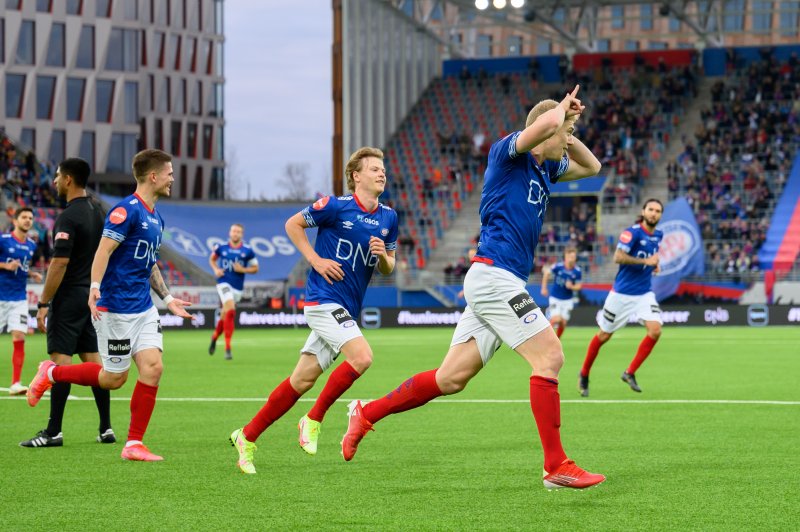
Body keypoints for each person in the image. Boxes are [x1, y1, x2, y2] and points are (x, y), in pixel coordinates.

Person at [340, 86, 607, 490]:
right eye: (564, 133)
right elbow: (545, 127)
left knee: (450, 379)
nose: (568, 141)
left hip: (499, 280)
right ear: (541, 130)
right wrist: (558, 115)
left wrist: (566, 127)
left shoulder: (545, 169)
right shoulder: (508, 154)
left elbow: (593, 167)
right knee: (550, 358)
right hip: (493, 276)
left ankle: (365, 412)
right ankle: (555, 465)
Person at [229, 147, 398, 474]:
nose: (381, 173)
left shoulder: (389, 217)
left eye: (383, 168)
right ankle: (314, 418)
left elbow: (389, 267)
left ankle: (247, 436)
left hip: (347, 307)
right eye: (374, 168)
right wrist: (315, 260)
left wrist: (382, 256)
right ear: (355, 176)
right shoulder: (335, 207)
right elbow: (293, 224)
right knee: (362, 357)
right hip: (323, 300)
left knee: (302, 379)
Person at [26, 149, 193, 462]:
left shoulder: (156, 216)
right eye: (169, 172)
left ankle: (133, 444)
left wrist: (167, 298)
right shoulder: (124, 211)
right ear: (154, 176)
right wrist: (94, 288)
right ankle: (52, 373)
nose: (173, 178)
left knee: (154, 368)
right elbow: (102, 252)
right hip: (115, 309)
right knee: (113, 379)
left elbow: (149, 262)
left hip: (143, 308)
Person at [20, 158, 115, 448]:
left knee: (60, 361)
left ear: (70, 180)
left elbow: (59, 263)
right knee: (93, 361)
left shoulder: (68, 216)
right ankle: (106, 428)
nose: (55, 181)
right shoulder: (99, 212)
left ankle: (53, 432)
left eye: (59, 176)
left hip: (70, 296)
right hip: (92, 298)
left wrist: (44, 302)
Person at [578, 199, 664, 397]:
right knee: (604, 336)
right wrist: (646, 261)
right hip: (621, 294)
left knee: (655, 330)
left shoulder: (658, 234)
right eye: (650, 209)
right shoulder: (632, 232)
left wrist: (654, 264)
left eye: (657, 211)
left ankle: (629, 372)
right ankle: (584, 373)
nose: (653, 213)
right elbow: (618, 257)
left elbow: (652, 254)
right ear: (643, 211)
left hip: (644, 293)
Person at [1, 207, 42, 395]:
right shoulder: (3, 240)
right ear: (15, 221)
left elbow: (21, 267)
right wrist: (5, 265)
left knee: (19, 336)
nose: (27, 220)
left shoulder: (32, 246)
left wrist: (31, 273)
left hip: (18, 298)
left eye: (30, 218)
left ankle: (16, 383)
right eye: (24, 217)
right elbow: (9, 265)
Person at [208, 223, 258, 360]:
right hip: (223, 282)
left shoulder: (248, 250)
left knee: (225, 314)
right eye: (233, 231)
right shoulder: (221, 247)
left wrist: (244, 270)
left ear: (242, 234)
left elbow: (255, 268)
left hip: (238, 288)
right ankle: (228, 348)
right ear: (230, 233)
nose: (235, 233)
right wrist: (216, 270)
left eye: (238, 232)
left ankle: (214, 337)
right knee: (230, 310)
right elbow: (212, 260)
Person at [540, 246, 583, 339]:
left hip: (568, 300)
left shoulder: (577, 271)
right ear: (566, 257)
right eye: (570, 256)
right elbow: (547, 273)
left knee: (563, 323)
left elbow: (579, 286)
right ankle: (547, 339)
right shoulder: (558, 267)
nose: (572, 258)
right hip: (555, 297)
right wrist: (543, 288)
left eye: (573, 256)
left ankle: (556, 339)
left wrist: (572, 286)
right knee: (556, 319)